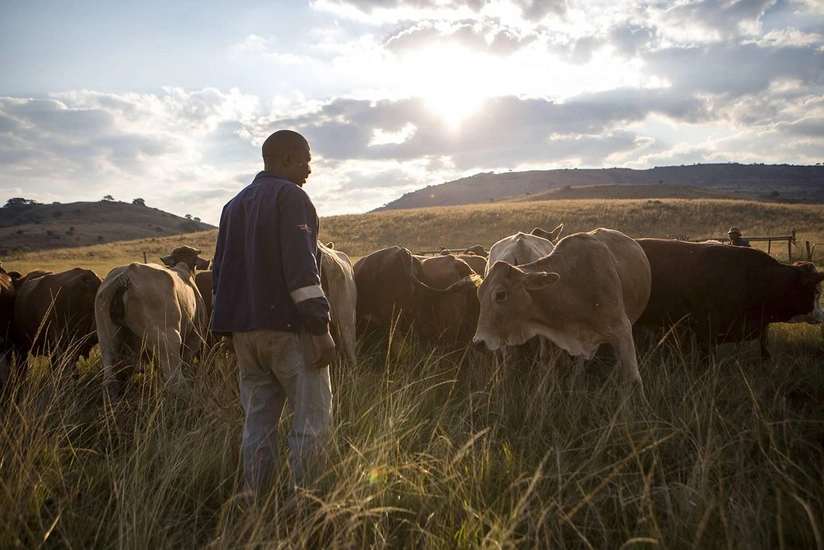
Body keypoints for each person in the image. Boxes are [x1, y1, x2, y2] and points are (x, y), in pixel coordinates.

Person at [211, 129, 336, 501]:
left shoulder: (232, 206)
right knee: (311, 423)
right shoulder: (292, 198)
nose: (309, 169)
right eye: (306, 159)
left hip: (245, 335)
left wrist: (231, 330)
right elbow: (302, 268)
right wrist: (319, 326)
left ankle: (256, 501)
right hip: (289, 330)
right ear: (285, 158)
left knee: (258, 423)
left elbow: (219, 273)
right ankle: (306, 504)